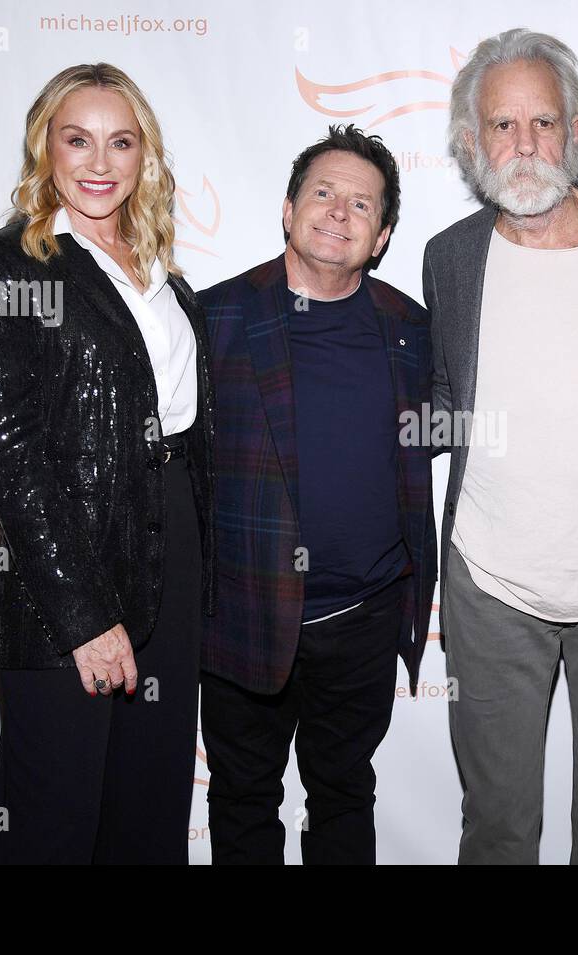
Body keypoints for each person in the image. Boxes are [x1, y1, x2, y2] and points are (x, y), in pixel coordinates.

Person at [424, 29, 578, 864]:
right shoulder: (450, 259)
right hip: (490, 585)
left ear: (576, 130)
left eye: (543, 121)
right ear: (472, 142)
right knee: (497, 830)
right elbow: (436, 396)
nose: (524, 144)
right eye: (502, 125)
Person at [0, 62, 215, 864]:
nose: (99, 163)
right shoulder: (4, 268)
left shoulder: (171, 283)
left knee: (149, 806)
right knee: (53, 816)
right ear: (46, 150)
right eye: (78, 139)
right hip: (69, 555)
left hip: (175, 551)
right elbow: (13, 451)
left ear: (145, 158)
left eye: (120, 142)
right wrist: (84, 614)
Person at [198, 125, 436, 865]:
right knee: (241, 798)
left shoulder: (412, 329)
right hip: (242, 614)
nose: (339, 212)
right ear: (287, 207)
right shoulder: (212, 319)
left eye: (361, 204)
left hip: (363, 617)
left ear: (383, 234)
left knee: (343, 796)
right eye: (324, 193)